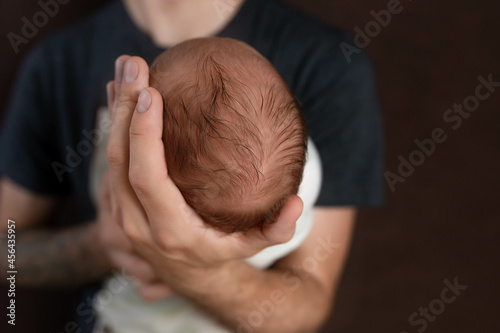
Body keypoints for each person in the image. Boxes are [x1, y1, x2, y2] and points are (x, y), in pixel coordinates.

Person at [0, 0, 383, 332]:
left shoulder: (329, 64)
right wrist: (102, 244)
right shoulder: (57, 62)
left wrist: (195, 271)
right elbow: (7, 249)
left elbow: (308, 305)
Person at [94, 36, 322, 333]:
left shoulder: (124, 150)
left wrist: (176, 267)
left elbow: (310, 308)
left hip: (133, 314)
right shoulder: (304, 174)